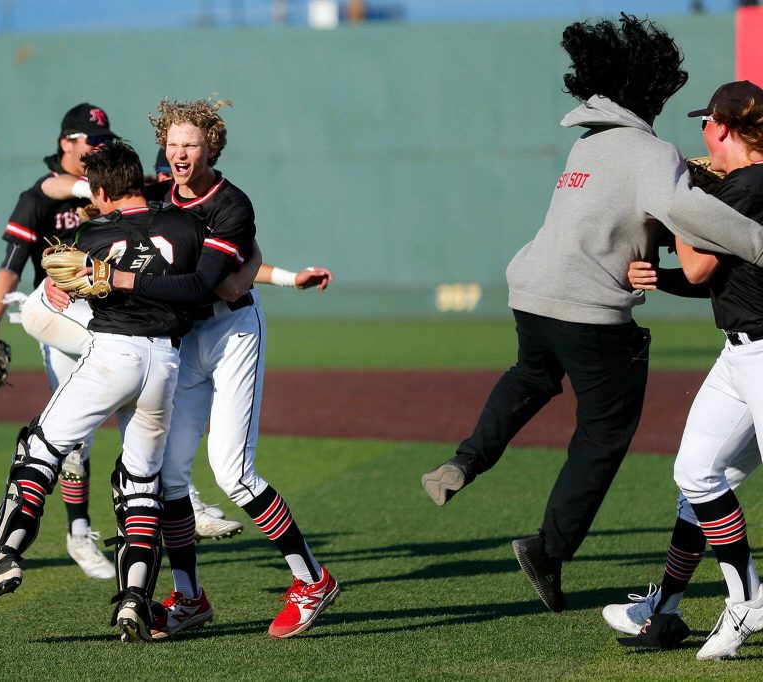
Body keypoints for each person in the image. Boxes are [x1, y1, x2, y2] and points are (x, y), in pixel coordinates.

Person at [419, 15, 763, 613]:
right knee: (604, 431)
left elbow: (619, 213)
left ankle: (467, 458)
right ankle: (548, 550)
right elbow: (680, 210)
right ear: (651, 92)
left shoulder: (588, 144)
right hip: (590, 310)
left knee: (530, 376)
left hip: (531, 292)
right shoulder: (651, 152)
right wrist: (758, 242)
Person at [47, 97, 338, 639]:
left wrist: (119, 280)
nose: (180, 154)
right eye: (173, 143)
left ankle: (312, 580)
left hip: (230, 334)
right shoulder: (156, 196)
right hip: (180, 341)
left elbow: (212, 286)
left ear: (212, 147)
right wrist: (58, 276)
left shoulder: (232, 204)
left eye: (191, 145)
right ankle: (189, 598)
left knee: (232, 473)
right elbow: (89, 211)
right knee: (168, 477)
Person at [0, 140, 206, 643]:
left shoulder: (92, 233)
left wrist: (57, 284)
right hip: (167, 362)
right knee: (140, 485)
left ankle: (2, 557)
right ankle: (135, 601)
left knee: (39, 449)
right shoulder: (185, 225)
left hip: (113, 355)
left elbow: (62, 284)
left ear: (99, 190)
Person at [601, 80, 763, 660]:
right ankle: (712, 601)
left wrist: (672, 203)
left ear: (722, 126)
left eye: (704, 123)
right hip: (741, 352)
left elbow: (697, 269)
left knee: (701, 479)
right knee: (696, 473)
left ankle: (737, 601)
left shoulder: (750, 183)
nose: (701, 135)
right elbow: (726, 282)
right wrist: (661, 275)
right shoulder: (742, 185)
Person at [0, 102, 118, 580]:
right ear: (66, 143)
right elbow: (9, 268)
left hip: (107, 310)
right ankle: (78, 534)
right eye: (90, 141)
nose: (98, 148)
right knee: (76, 437)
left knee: (145, 395)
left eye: (103, 142)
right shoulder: (40, 197)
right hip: (60, 321)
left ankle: (173, 506)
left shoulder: (107, 189)